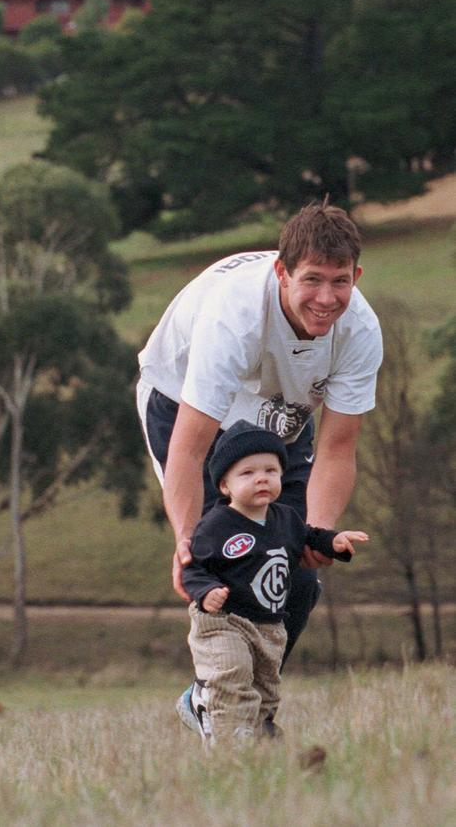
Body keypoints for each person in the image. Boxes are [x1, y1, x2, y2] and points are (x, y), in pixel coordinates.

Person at [135, 199, 382, 733]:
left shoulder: (359, 329)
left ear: (356, 277)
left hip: (279, 418)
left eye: (340, 282)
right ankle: (223, 711)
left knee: (299, 578)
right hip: (188, 409)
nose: (326, 298)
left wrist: (315, 534)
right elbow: (189, 448)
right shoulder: (236, 315)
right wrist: (185, 538)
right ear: (281, 272)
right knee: (224, 562)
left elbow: (339, 449)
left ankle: (238, 706)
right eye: (311, 280)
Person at [182, 420, 368, 744]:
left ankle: (259, 734)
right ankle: (228, 743)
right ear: (224, 486)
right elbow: (193, 567)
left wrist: (333, 541)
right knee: (232, 675)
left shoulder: (285, 518)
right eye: (248, 473)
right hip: (225, 621)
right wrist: (205, 590)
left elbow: (309, 537)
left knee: (266, 689)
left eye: (270, 470)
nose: (261, 479)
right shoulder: (215, 526)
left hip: (270, 625)